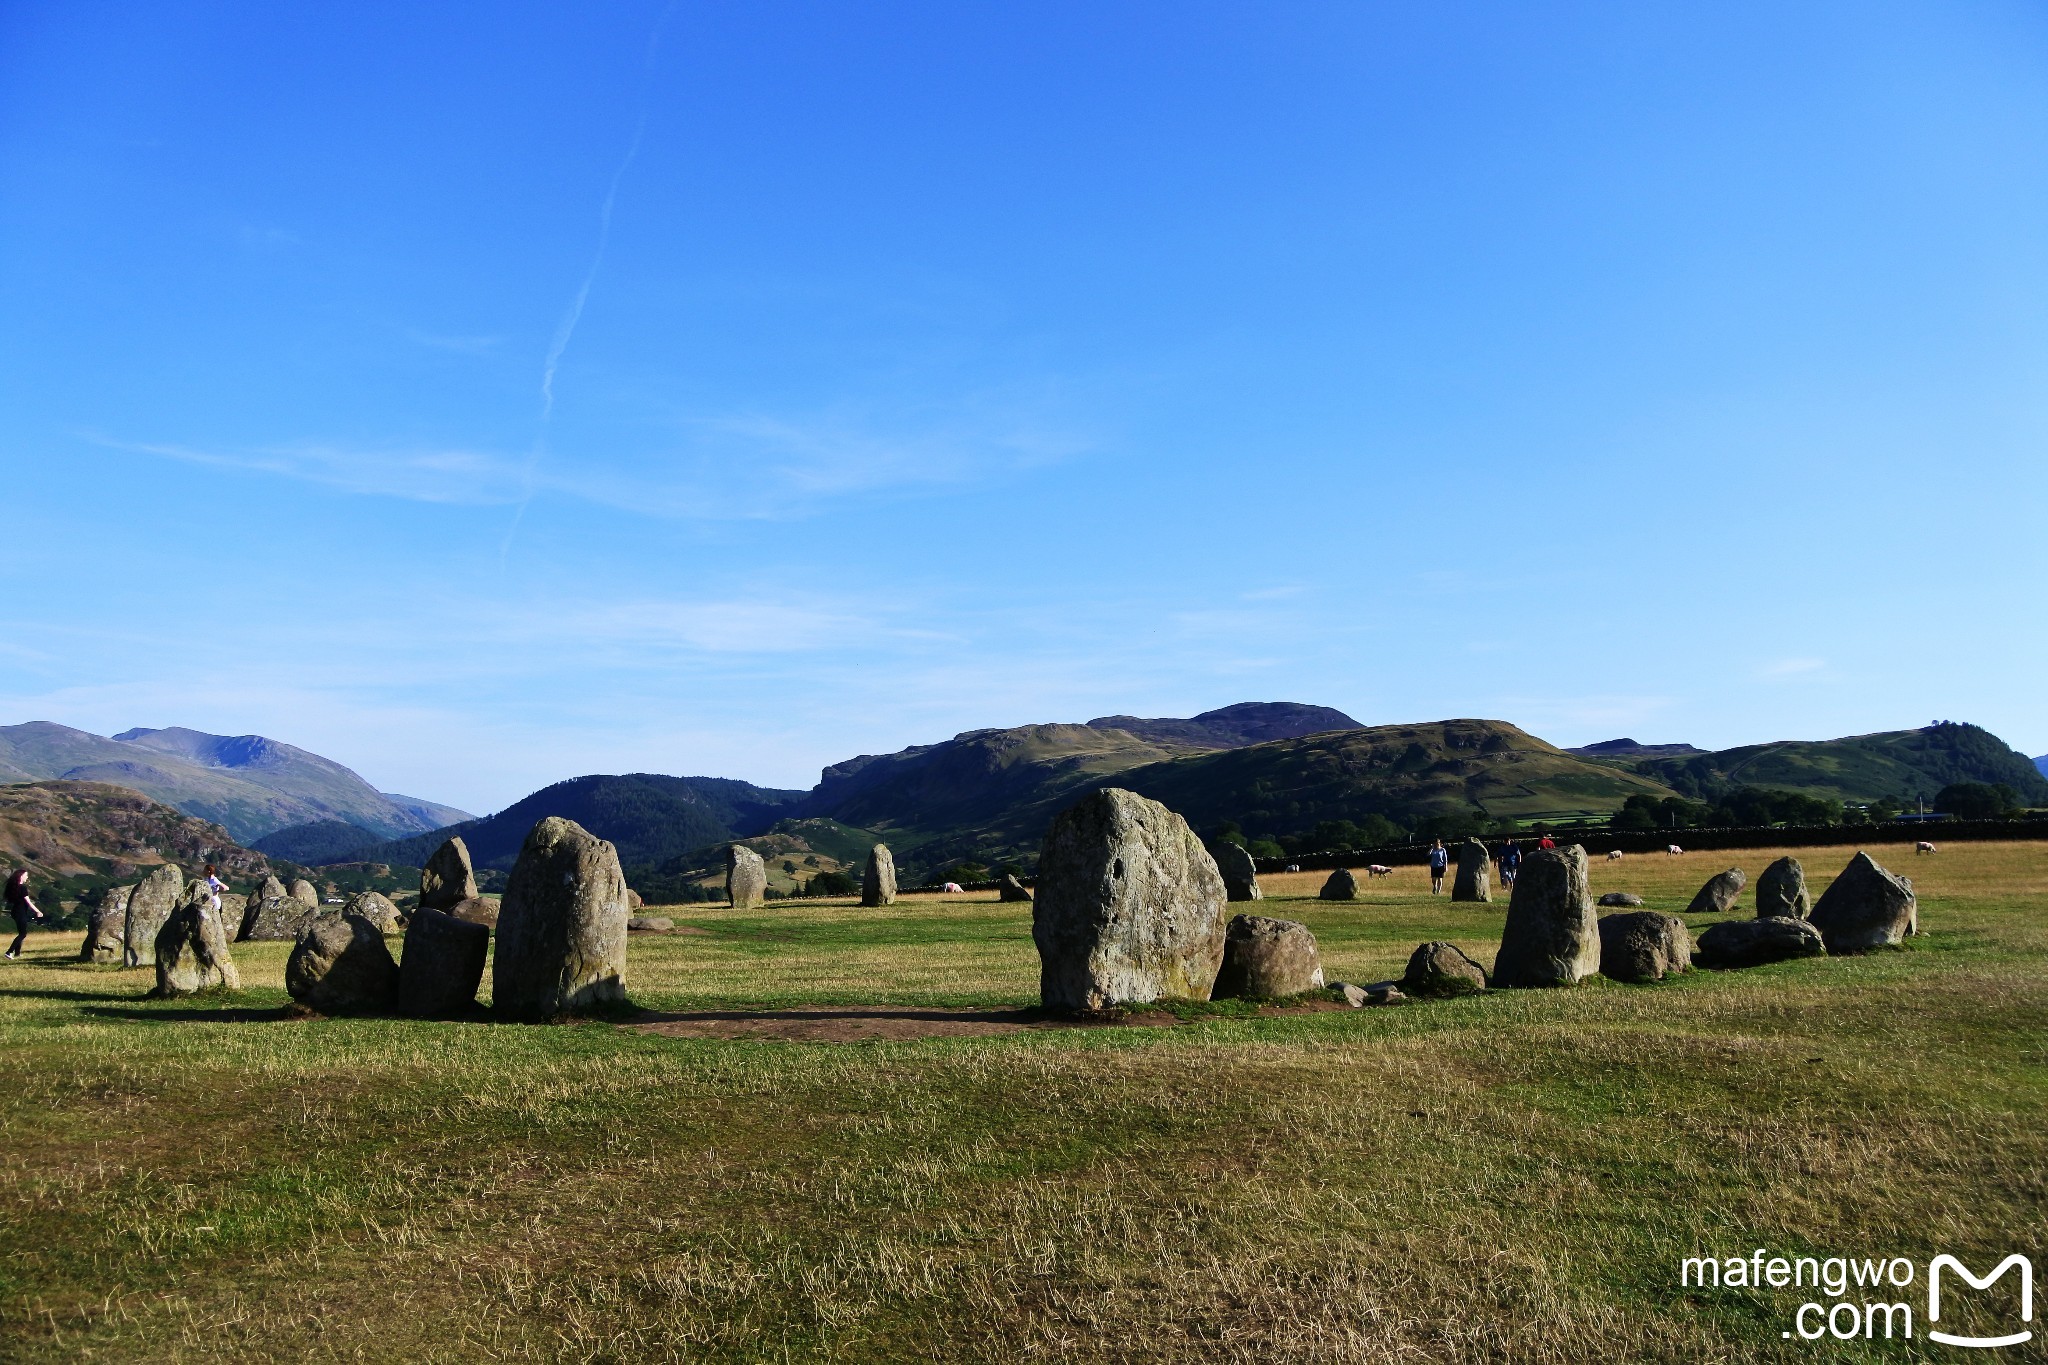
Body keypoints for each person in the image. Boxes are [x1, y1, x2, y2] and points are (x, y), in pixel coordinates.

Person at [5, 869, 46, 959]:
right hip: (20, 912)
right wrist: (37, 911)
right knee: (23, 934)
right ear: (21, 876)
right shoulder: (22, 888)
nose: (27, 877)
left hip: (15, 912)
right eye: (26, 875)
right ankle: (9, 952)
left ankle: (17, 953)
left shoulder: (13, 887)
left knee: (21, 932)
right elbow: (28, 902)